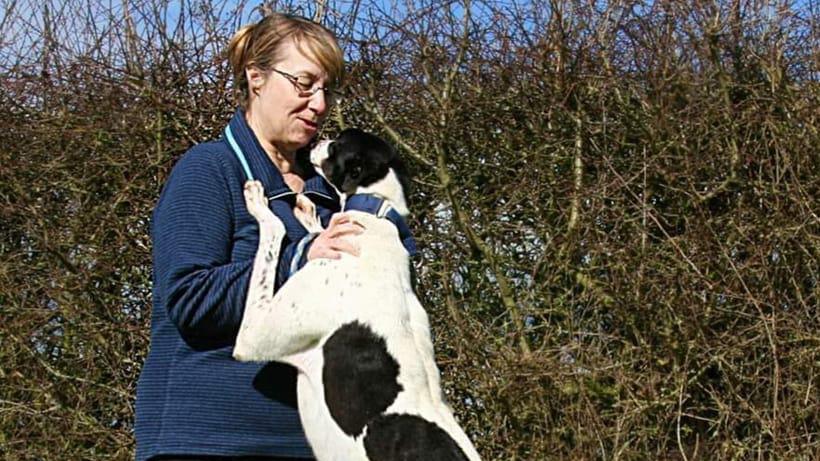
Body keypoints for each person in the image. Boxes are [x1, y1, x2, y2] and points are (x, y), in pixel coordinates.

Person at [135, 13, 362, 461]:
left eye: (327, 89)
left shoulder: (331, 196)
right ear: (256, 78)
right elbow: (189, 297)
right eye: (303, 83)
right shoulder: (209, 171)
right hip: (207, 441)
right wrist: (301, 262)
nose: (318, 103)